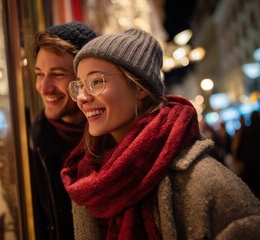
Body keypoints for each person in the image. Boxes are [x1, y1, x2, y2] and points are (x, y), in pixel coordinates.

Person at [61, 29, 260, 239]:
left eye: (96, 82)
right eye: (80, 85)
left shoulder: (204, 181)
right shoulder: (88, 177)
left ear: (140, 88)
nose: (82, 97)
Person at [30, 21, 96, 240]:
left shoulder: (113, 138)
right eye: (39, 74)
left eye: (57, 74)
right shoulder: (31, 143)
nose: (44, 87)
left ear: (84, 79)